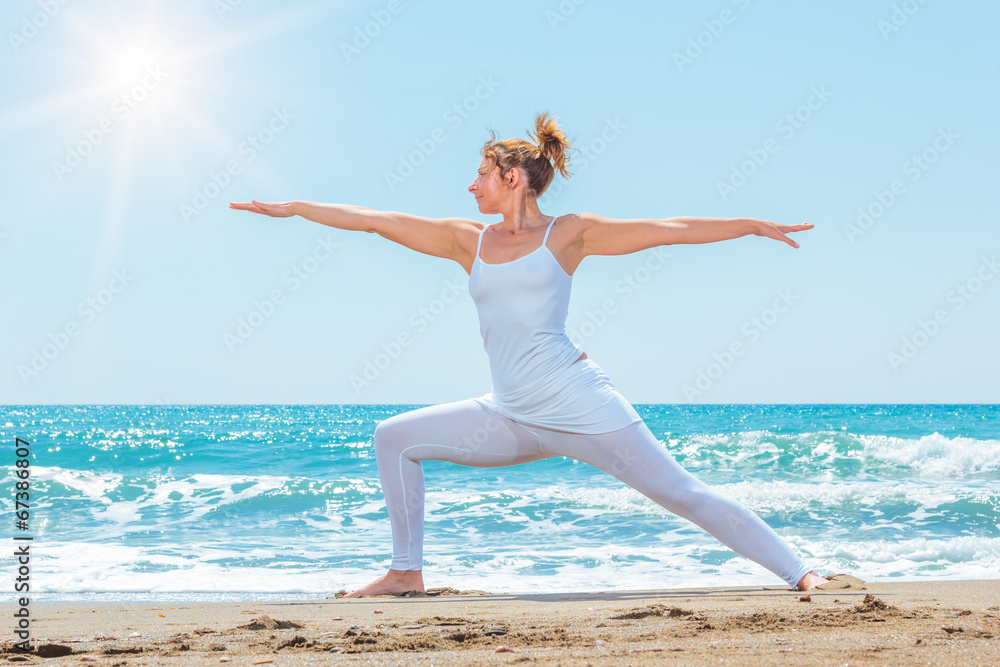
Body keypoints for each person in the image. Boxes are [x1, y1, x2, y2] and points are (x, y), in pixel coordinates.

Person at [231, 111, 825, 597]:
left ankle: (801, 573)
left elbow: (668, 228)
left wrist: (749, 224)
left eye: (481, 174)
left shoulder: (568, 232)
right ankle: (406, 573)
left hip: (579, 403)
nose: (471, 185)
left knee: (681, 493)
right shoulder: (469, 240)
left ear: (513, 176)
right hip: (509, 414)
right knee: (393, 437)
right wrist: (298, 208)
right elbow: (377, 222)